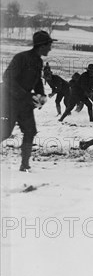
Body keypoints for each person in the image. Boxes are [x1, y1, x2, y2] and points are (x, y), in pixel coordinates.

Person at [1, 30, 55, 172]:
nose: (50, 48)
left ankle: (25, 165)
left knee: (30, 131)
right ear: (41, 45)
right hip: (9, 101)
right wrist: (24, 95)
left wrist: (41, 96)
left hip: (24, 103)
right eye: (49, 44)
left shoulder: (38, 61)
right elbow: (7, 78)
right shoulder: (21, 58)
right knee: (5, 132)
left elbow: (37, 82)